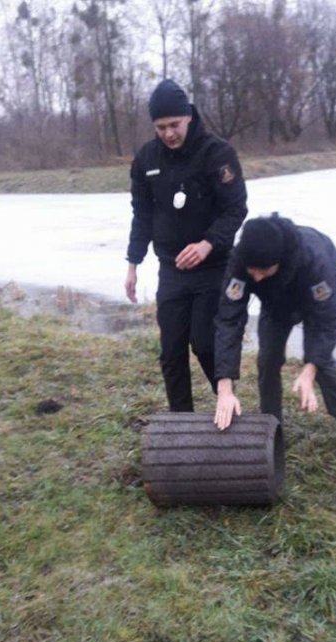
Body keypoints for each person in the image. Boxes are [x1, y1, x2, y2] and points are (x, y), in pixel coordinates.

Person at [125, 79, 248, 412]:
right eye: (161, 127)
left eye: (174, 125)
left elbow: (236, 210)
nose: (168, 134)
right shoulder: (146, 159)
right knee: (172, 351)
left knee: (205, 343)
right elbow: (142, 214)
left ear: (189, 117)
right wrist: (133, 264)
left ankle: (227, 400)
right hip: (172, 269)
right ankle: (182, 421)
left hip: (213, 267)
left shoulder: (217, 153)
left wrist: (208, 244)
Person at [214, 214, 336, 443]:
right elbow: (228, 320)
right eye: (253, 271)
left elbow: (328, 321)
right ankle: (272, 424)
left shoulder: (314, 260)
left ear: (279, 260)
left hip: (316, 293)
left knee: (319, 357)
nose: (257, 277)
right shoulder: (241, 260)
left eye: (263, 270)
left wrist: (309, 369)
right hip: (275, 302)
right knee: (268, 359)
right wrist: (224, 387)